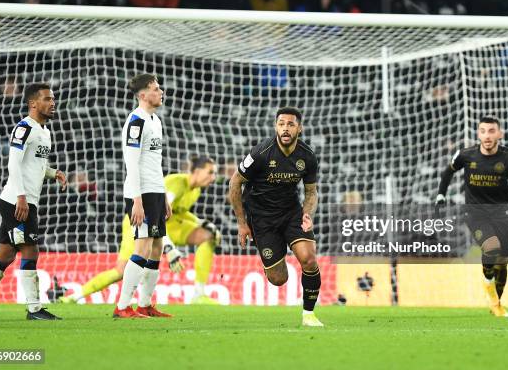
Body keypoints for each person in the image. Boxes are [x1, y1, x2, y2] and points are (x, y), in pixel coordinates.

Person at [60, 155, 220, 305]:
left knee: (208, 236)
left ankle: (199, 294)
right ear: (197, 171)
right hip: (139, 220)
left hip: (166, 224)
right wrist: (169, 247)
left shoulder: (195, 190)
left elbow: (179, 211)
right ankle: (74, 297)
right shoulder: (177, 182)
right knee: (121, 271)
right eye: (210, 172)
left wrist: (202, 222)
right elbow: (158, 211)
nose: (213, 178)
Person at [0, 83, 67, 320]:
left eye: (52, 99)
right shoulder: (24, 128)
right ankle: (34, 308)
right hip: (16, 200)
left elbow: (36, 165)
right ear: (33, 103)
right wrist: (21, 197)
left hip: (25, 200)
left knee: (5, 255)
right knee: (30, 250)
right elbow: (14, 163)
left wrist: (53, 173)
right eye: (47, 99)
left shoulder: (45, 131)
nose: (52, 103)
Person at [228, 107, 323, 327]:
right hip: (262, 219)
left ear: (300, 128)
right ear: (275, 127)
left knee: (308, 259)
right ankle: (273, 251)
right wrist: (242, 224)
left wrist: (307, 214)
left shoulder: (307, 156)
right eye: (281, 124)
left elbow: (311, 192)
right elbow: (235, 183)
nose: (285, 128)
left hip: (291, 213)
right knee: (278, 279)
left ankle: (309, 315)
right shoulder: (261, 153)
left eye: (291, 124)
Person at [436, 116, 508, 317]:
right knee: (491, 246)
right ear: (478, 134)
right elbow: (447, 172)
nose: (487, 135)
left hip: (500, 214)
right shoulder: (466, 155)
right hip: (474, 212)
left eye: (491, 131)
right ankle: (489, 290)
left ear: (499, 134)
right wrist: (441, 194)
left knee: (502, 261)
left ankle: (496, 303)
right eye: (483, 131)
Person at [113, 74, 172, 319]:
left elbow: (154, 163)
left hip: (155, 191)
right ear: (143, 95)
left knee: (157, 247)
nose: (161, 92)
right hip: (141, 193)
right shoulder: (136, 122)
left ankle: (145, 304)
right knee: (143, 245)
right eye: (156, 89)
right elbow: (132, 163)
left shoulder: (155, 120)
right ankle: (123, 306)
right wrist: (137, 199)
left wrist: (164, 196)